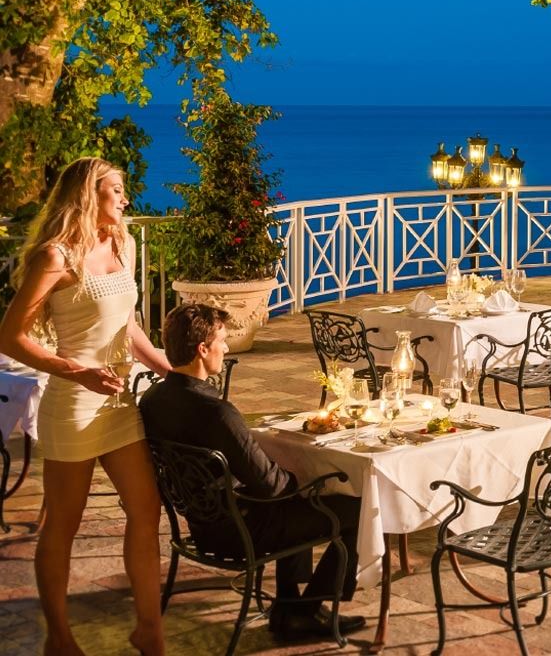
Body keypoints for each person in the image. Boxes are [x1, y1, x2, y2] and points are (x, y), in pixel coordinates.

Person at [0, 158, 171, 656]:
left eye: (124, 190)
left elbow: (129, 325)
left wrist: (166, 368)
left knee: (146, 508)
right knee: (63, 525)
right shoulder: (57, 257)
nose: (124, 199)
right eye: (115, 190)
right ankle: (60, 636)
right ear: (86, 196)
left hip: (119, 403)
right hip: (73, 404)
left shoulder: (125, 244)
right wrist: (77, 371)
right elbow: (10, 336)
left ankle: (150, 630)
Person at [138, 304, 367, 640]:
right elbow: (272, 487)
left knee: (295, 494)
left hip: (202, 525)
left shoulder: (153, 399)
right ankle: (304, 612)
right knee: (358, 508)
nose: (227, 347)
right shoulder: (218, 413)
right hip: (239, 532)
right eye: (222, 340)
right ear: (202, 350)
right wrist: (307, 479)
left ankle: (289, 605)